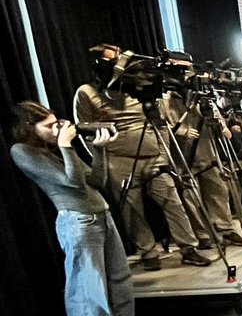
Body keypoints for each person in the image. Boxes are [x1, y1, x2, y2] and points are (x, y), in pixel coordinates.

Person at [9, 102, 152, 316]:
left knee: (119, 279)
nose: (56, 129)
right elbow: (72, 183)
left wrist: (99, 151)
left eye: (56, 124)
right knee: (88, 284)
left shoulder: (53, 151)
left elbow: (97, 181)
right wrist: (65, 145)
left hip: (102, 216)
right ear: (29, 127)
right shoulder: (22, 151)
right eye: (49, 126)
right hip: (78, 221)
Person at [74, 44, 211, 270]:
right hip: (119, 160)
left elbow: (160, 123)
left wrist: (163, 154)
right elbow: (84, 129)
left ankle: (189, 248)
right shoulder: (86, 93)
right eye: (111, 60)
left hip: (153, 157)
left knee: (172, 201)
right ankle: (147, 252)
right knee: (132, 209)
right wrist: (100, 158)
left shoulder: (141, 88)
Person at [165, 95, 242, 247]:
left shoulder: (204, 98)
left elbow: (220, 124)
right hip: (184, 156)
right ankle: (202, 234)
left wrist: (221, 126)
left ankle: (226, 229)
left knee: (218, 191)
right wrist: (181, 131)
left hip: (208, 153)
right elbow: (164, 124)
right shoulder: (167, 100)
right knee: (192, 197)